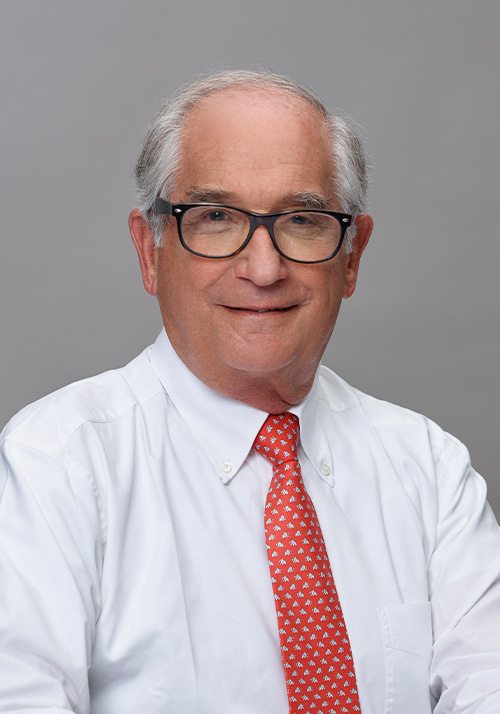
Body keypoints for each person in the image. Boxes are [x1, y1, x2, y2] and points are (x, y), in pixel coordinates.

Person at [0, 70, 499, 714]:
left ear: (352, 257)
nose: (264, 269)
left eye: (302, 220)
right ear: (150, 252)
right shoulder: (56, 467)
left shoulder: (428, 469)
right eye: (215, 217)